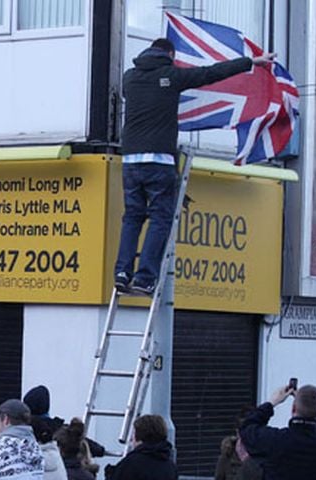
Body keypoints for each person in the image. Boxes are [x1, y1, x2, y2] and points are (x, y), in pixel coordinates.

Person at [113, 37, 276, 295]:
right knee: (160, 218)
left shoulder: (129, 78)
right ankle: (145, 278)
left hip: (130, 160)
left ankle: (122, 273)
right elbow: (210, 73)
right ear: (169, 54)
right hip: (160, 160)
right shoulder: (173, 75)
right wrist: (251, 62)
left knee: (132, 217)